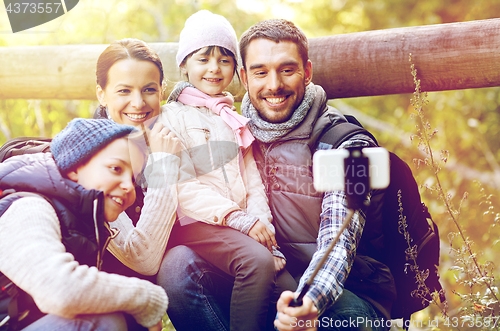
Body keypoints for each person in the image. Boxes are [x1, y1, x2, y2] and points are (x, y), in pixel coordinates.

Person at [162, 18, 396, 331]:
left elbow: (340, 239)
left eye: (287, 70)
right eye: (260, 72)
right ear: (244, 78)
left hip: (338, 291)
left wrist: (308, 301)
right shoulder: (232, 127)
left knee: (349, 322)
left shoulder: (348, 144)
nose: (274, 84)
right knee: (178, 269)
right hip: (263, 273)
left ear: (307, 72)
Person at [156, 10, 287, 331]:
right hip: (196, 222)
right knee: (255, 262)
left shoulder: (232, 117)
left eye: (224, 59)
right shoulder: (171, 116)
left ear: (235, 69)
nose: (214, 68)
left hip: (237, 225)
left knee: (289, 290)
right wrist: (235, 218)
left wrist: (263, 231)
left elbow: (253, 182)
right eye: (203, 59)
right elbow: (180, 186)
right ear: (184, 64)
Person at [0, 118, 168, 331]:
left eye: (133, 178)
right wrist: (147, 298)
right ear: (75, 167)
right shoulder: (29, 207)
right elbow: (59, 290)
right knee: (104, 321)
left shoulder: (81, 222)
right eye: (116, 168)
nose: (128, 186)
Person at [93, 38, 181, 284]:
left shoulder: (170, 136)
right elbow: (144, 260)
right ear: (101, 94)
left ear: (162, 90)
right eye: (124, 90)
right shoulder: (91, 159)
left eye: (149, 89)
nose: (138, 103)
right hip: (104, 299)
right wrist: (164, 163)